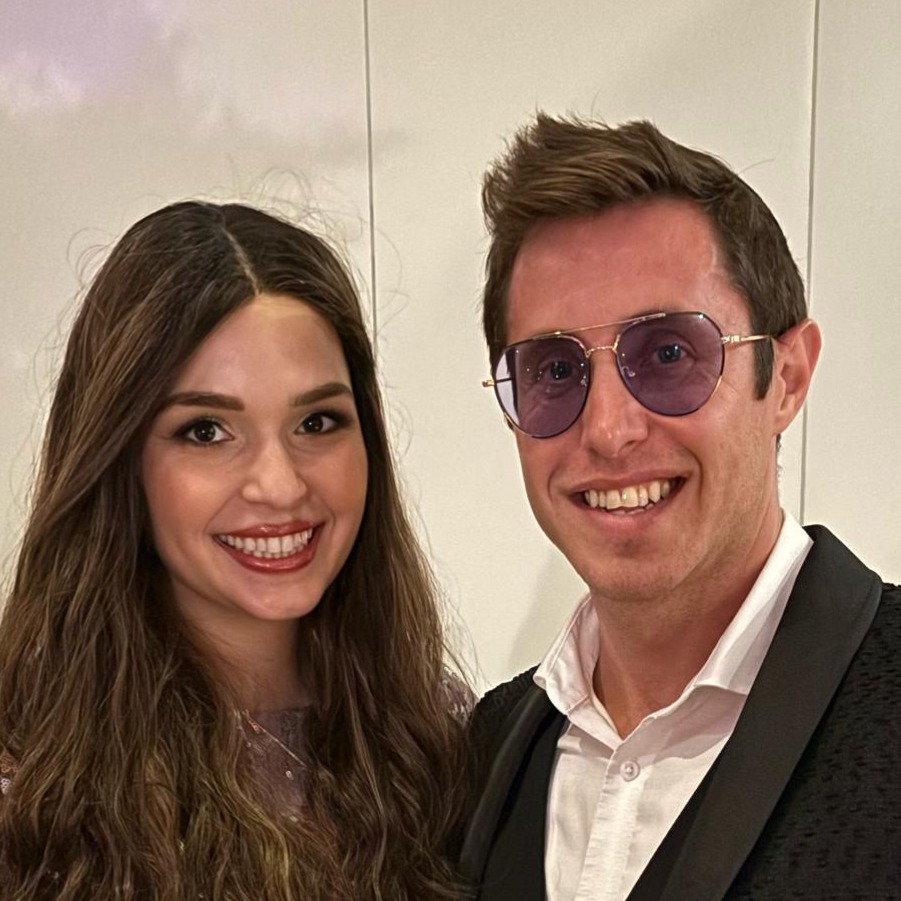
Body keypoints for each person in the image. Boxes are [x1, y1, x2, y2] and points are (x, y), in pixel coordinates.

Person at [461, 114, 900, 900]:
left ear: (787, 376)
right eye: (554, 370)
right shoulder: (484, 750)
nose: (608, 430)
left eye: (667, 354)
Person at [0, 201, 470, 900]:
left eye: (317, 422)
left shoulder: (442, 737)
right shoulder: (25, 773)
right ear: (119, 460)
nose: (279, 486)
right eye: (206, 431)